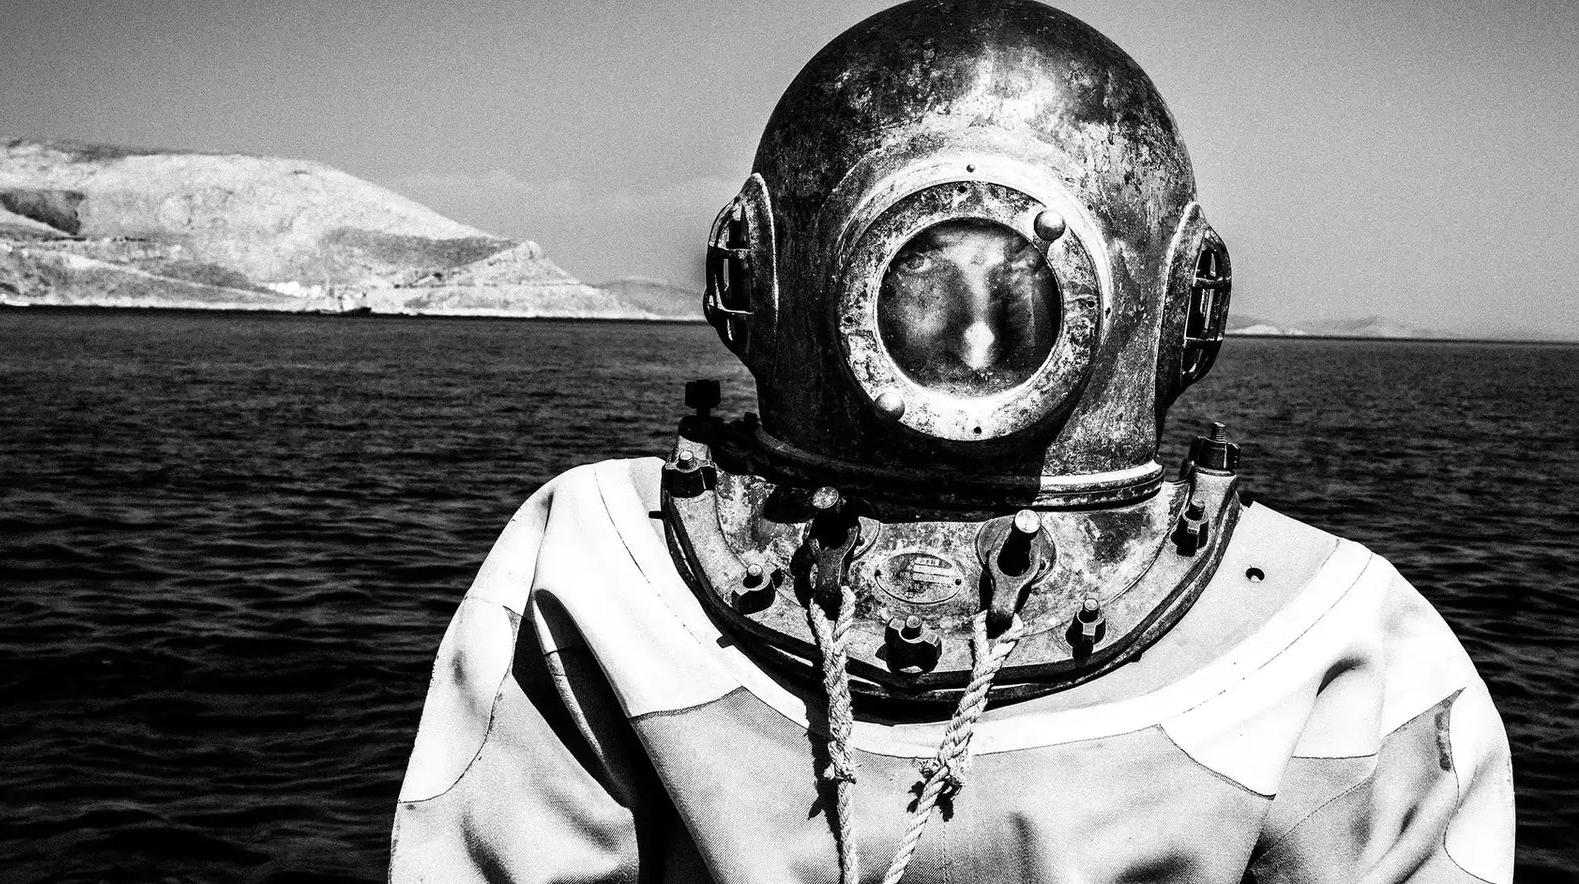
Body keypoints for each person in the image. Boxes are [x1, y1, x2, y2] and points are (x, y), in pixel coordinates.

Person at [389, 1, 1515, 881]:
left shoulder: (594, 566)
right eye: (930, 290)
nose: (975, 333)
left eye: (1011, 299)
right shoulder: (1347, 641)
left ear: (748, 278)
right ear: (1184, 311)